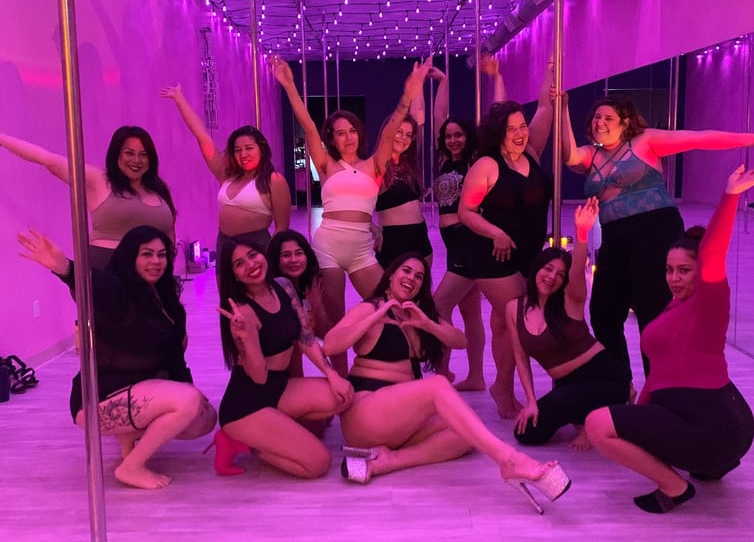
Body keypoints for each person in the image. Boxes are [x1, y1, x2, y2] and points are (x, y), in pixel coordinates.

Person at [322, 253, 570, 513]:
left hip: (399, 422)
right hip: (365, 414)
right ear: (391, 276)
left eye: (419, 276)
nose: (411, 279)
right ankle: (510, 460)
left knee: (463, 433)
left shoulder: (416, 315)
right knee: (438, 384)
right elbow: (330, 344)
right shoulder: (369, 308)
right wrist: (377, 314)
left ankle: (387, 461)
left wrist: (427, 324)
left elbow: (459, 341)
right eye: (406, 271)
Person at [584, 166, 754, 513]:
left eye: (684, 270)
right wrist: (632, 422)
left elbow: (712, 253)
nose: (674, 278)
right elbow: (660, 370)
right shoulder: (674, 306)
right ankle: (710, 465)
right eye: (669, 270)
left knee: (596, 424)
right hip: (714, 419)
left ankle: (675, 488)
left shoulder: (709, 301)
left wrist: (729, 195)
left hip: (717, 421)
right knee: (618, 424)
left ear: (701, 272)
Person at [563, 98, 754, 381]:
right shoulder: (591, 155)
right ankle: (620, 385)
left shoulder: (645, 141)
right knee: (603, 313)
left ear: (625, 123)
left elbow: (700, 139)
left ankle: (658, 389)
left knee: (652, 312)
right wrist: (561, 108)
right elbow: (568, 154)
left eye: (608, 118)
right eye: (596, 117)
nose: (600, 123)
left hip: (654, 229)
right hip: (615, 235)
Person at [17, 226, 216, 489]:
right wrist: (64, 267)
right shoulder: (120, 290)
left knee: (205, 417)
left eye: (161, 255)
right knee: (188, 402)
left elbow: (175, 360)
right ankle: (131, 468)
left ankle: (129, 438)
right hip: (98, 402)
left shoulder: (166, 301)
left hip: (140, 393)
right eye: (146, 254)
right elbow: (96, 285)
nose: (155, 262)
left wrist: (189, 390)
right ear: (131, 257)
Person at [271, 55, 433, 374]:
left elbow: (390, 133)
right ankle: (341, 380)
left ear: (359, 133)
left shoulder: (374, 165)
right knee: (336, 320)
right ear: (331, 138)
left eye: (352, 131)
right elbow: (306, 124)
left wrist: (408, 94)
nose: (348, 136)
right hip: (328, 245)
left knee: (392, 303)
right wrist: (289, 86)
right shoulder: (327, 165)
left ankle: (406, 366)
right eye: (340, 132)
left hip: (361, 248)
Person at [458, 58, 554, 418]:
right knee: (517, 318)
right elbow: (467, 213)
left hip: (529, 253)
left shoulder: (531, 152)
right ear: (499, 132)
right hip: (491, 256)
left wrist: (550, 68)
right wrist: (496, 231)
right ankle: (505, 387)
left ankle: (502, 384)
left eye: (522, 125)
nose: (520, 132)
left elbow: (546, 105)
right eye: (512, 127)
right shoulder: (486, 165)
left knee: (502, 322)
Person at [212, 238, 355, 478]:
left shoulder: (283, 285)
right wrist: (247, 337)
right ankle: (240, 442)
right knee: (317, 464)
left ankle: (277, 426)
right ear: (234, 275)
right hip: (247, 404)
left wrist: (332, 375)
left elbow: (305, 337)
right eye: (239, 263)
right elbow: (258, 377)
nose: (250, 264)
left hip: (279, 387)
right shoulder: (242, 312)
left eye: (252, 255)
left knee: (343, 395)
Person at [508, 198, 630, 449]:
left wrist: (581, 234)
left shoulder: (570, 300)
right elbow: (520, 358)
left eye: (559, 274)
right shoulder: (515, 308)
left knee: (563, 400)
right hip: (569, 386)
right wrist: (531, 401)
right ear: (536, 268)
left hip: (605, 376)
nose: (552, 277)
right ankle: (592, 415)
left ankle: (596, 421)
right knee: (528, 433)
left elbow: (576, 272)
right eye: (548, 269)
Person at [1, 127, 176, 269]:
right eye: (129, 153)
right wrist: (2, 139)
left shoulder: (159, 189)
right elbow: (48, 160)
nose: (137, 160)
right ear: (116, 155)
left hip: (153, 278)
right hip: (110, 275)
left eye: (144, 154)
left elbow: (169, 231)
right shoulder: (98, 180)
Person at [160, 84, 290, 268]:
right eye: (237, 150)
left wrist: (271, 257)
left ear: (261, 148)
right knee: (227, 294)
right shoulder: (226, 174)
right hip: (225, 243)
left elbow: (282, 228)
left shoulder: (274, 180)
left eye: (249, 148)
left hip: (256, 245)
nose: (243, 154)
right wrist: (179, 99)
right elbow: (202, 136)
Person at [428, 65, 486, 390]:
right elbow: (439, 117)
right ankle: (476, 376)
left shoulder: (476, 159)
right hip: (453, 245)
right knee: (470, 313)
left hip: (469, 242)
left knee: (439, 306)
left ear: (468, 136)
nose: (452, 139)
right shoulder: (443, 160)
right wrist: (445, 82)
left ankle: (442, 373)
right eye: (449, 136)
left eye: (458, 135)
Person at [266, 229, 333, 377]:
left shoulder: (310, 286)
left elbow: (324, 336)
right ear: (275, 260)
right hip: (272, 376)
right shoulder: (274, 290)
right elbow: (296, 347)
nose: (294, 260)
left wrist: (317, 306)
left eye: (299, 253)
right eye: (286, 255)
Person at [372, 111, 433, 269]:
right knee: (392, 291)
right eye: (398, 132)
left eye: (408, 134)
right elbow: (356, 208)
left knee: (422, 290)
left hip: (420, 237)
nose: (403, 138)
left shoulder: (409, 165)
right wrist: (375, 231)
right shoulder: (376, 166)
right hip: (395, 240)